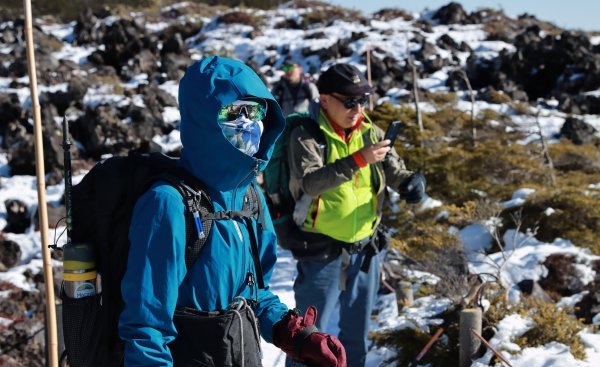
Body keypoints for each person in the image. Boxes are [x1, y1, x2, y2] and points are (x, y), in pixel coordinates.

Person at [118, 56, 346, 367]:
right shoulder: (167, 204)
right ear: (204, 120)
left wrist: (296, 335)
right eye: (237, 113)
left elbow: (255, 293)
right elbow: (146, 329)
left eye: (256, 112)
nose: (249, 124)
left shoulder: (250, 198)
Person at [286, 63, 427, 367]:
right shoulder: (306, 133)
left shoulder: (369, 130)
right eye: (349, 101)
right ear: (325, 100)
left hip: (366, 248)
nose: (357, 107)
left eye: (362, 100)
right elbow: (310, 181)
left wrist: (409, 183)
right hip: (320, 250)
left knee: (356, 337)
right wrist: (358, 160)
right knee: (307, 338)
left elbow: (393, 169)